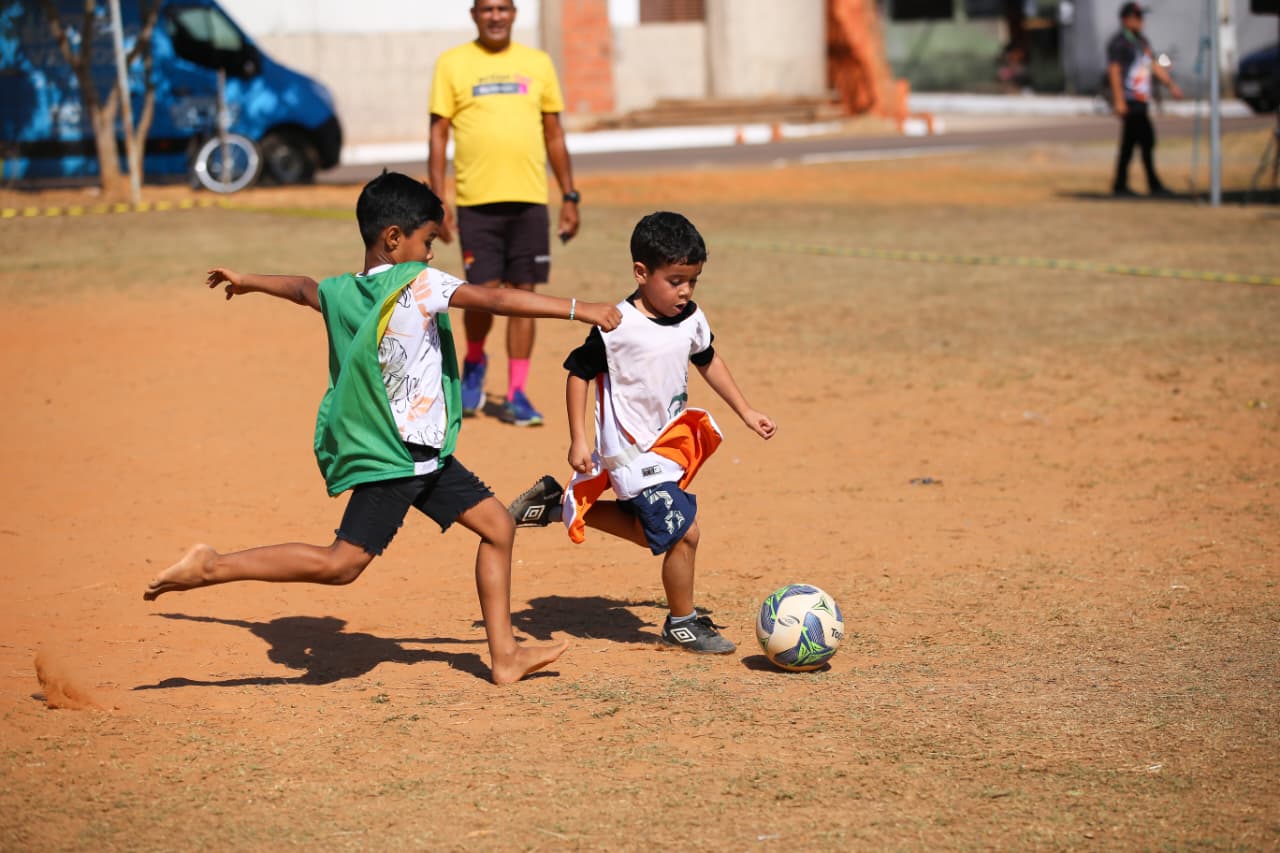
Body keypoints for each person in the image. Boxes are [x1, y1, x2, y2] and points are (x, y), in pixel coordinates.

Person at [142, 172, 621, 685]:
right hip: (400, 458)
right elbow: (498, 300)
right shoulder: (419, 283)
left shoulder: (343, 291)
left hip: (426, 455)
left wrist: (250, 281)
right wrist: (580, 309)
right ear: (394, 239)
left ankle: (505, 656)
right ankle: (213, 565)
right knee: (341, 565)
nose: (433, 254)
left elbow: (304, 288)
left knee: (498, 526)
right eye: (428, 242)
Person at [506, 212, 776, 654]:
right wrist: (579, 439)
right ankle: (681, 623)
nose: (685, 291)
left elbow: (707, 358)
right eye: (675, 280)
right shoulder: (616, 326)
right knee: (683, 531)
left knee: (652, 528)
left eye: (693, 280)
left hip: (667, 448)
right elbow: (577, 374)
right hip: (631, 453)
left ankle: (561, 506)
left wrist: (745, 410)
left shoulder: (691, 317)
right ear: (641, 273)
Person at [428, 0, 581, 427]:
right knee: (482, 291)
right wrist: (437, 202)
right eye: (487, 8)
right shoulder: (452, 64)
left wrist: (569, 195)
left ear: (514, 13)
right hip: (477, 203)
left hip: (530, 202)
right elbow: (438, 135)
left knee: (524, 296)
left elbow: (554, 133)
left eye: (503, 7)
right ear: (474, 14)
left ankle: (516, 392)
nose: (496, 15)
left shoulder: (537, 64)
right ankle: (475, 361)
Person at [1107, 1, 1183, 198]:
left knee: (1132, 144)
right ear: (1126, 19)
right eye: (1137, 17)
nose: (1142, 21)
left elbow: (1153, 66)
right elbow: (1114, 72)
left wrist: (1170, 85)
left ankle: (1121, 185)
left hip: (1141, 100)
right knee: (1145, 140)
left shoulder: (1141, 41)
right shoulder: (1119, 43)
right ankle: (1151, 184)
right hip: (1130, 100)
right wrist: (1119, 101)